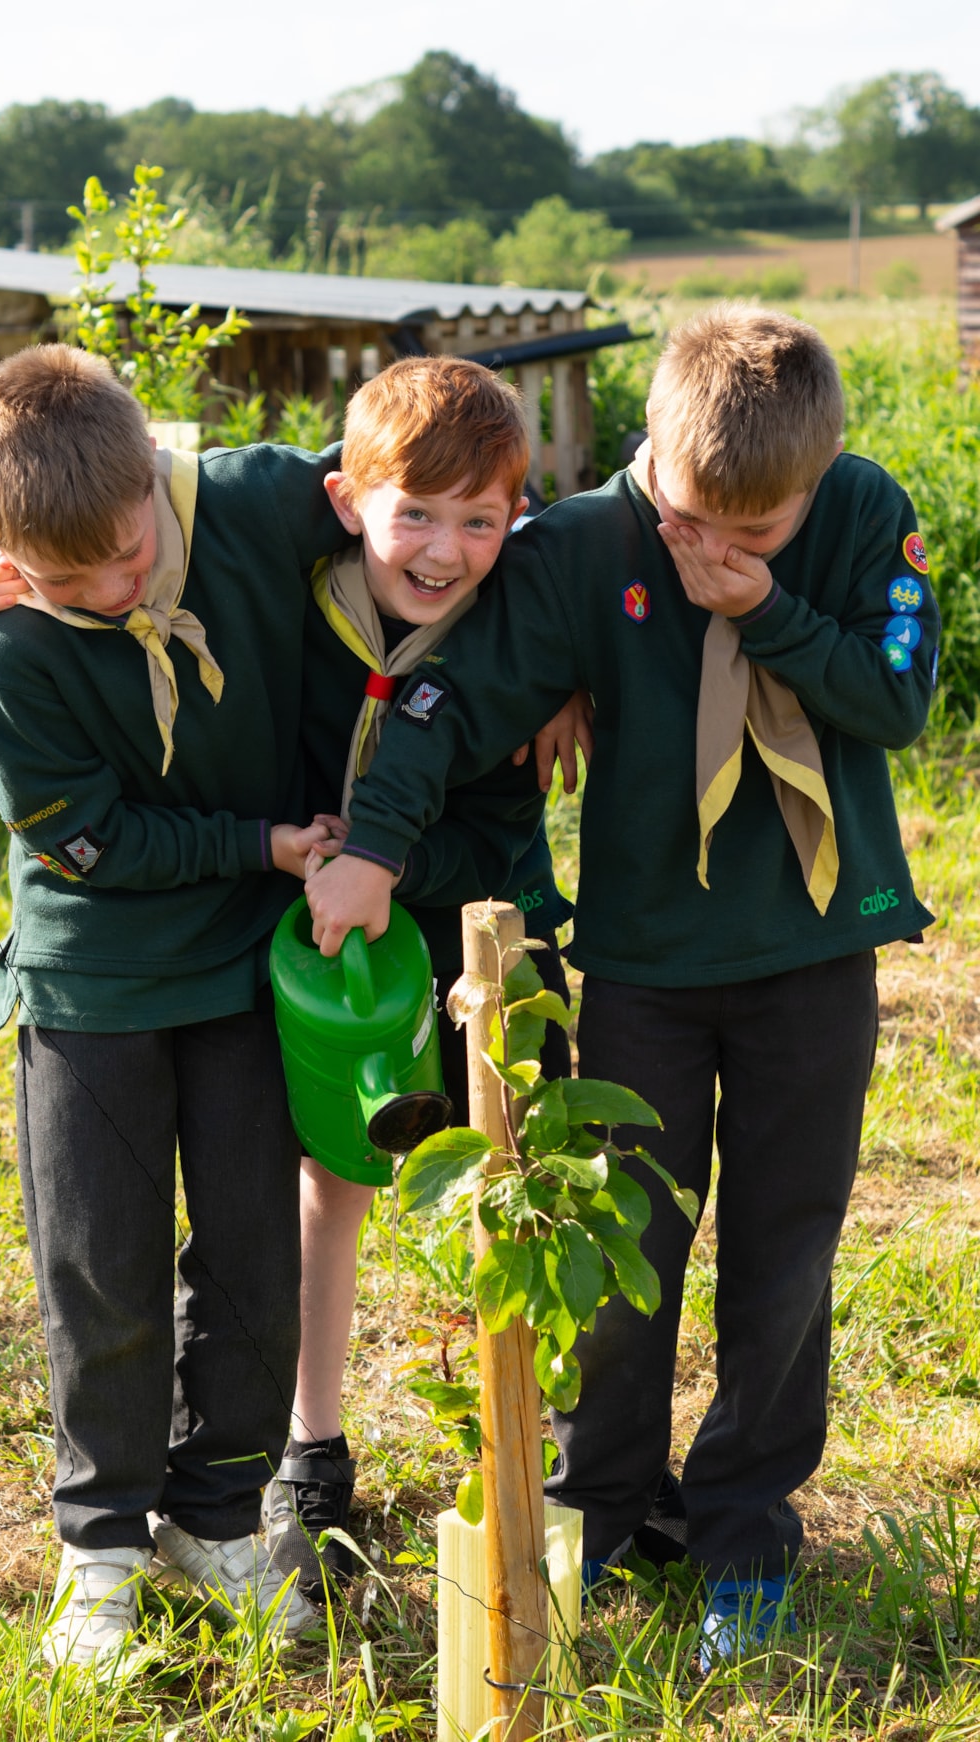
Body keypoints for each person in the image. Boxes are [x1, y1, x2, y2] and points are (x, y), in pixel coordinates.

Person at [301, 305, 939, 1666]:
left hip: (811, 957)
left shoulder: (861, 513)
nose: (718, 546)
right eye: (699, 518)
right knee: (627, 1246)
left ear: (817, 481)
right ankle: (607, 1505)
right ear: (654, 451)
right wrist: (370, 846)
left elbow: (896, 701)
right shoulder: (587, 545)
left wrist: (767, 607)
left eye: (762, 529)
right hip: (646, 964)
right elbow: (446, 697)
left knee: (786, 1254)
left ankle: (745, 1526)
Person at [0, 344, 349, 1668]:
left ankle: (219, 1514)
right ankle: (102, 1544)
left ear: (155, 486)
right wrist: (260, 843)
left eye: (125, 556)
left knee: (251, 1256)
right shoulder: (7, 654)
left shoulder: (255, 500)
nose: (112, 593)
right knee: (101, 1263)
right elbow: (94, 842)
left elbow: (411, 497)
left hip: (241, 969)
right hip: (96, 976)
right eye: (66, 581)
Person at [260, 356, 576, 1601]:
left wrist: (395, 861)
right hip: (334, 944)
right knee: (329, 1177)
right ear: (350, 501)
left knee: (511, 1170)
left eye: (480, 520)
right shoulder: (293, 590)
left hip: (482, 934)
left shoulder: (520, 622)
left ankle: (523, 1429)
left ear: (517, 516)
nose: (444, 549)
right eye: (418, 515)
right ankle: (311, 1444)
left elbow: (498, 823)